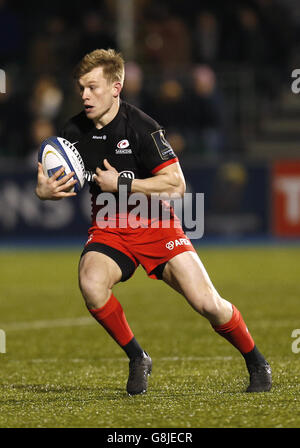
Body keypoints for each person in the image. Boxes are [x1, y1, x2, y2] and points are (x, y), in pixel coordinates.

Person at [35, 49, 272, 396]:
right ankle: (137, 357)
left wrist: (123, 183)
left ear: (116, 88)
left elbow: (177, 184)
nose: (85, 95)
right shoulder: (73, 131)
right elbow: (60, 182)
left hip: (156, 224)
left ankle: (256, 361)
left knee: (207, 303)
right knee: (91, 283)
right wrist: (44, 192)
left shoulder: (142, 127)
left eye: (93, 87)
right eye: (81, 88)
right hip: (109, 227)